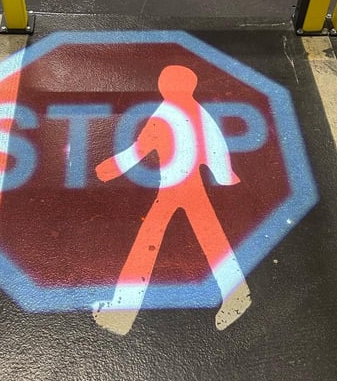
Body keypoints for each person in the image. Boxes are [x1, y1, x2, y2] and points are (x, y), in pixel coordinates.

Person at [93, 64, 251, 335]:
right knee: (211, 240)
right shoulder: (199, 113)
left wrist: (108, 170)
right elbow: (216, 147)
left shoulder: (162, 115)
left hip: (173, 189)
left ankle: (121, 312)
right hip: (191, 188)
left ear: (164, 86)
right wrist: (225, 176)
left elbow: (138, 151)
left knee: (147, 244)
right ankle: (237, 295)